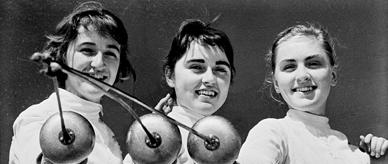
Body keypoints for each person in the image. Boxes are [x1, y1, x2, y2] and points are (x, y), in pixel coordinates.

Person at [237, 23, 388, 163]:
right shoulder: (272, 132)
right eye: (289, 67)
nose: (302, 76)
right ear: (276, 83)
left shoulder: (354, 153)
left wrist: (378, 158)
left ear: (333, 76)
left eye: (313, 64)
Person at [9, 1, 135, 163]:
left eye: (110, 54)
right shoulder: (39, 118)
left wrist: (146, 149)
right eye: (87, 50)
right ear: (62, 57)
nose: (98, 63)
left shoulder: (104, 132)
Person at [123, 19, 236, 164]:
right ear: (170, 75)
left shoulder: (224, 140)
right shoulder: (159, 138)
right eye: (197, 67)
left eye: (220, 70)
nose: (210, 79)